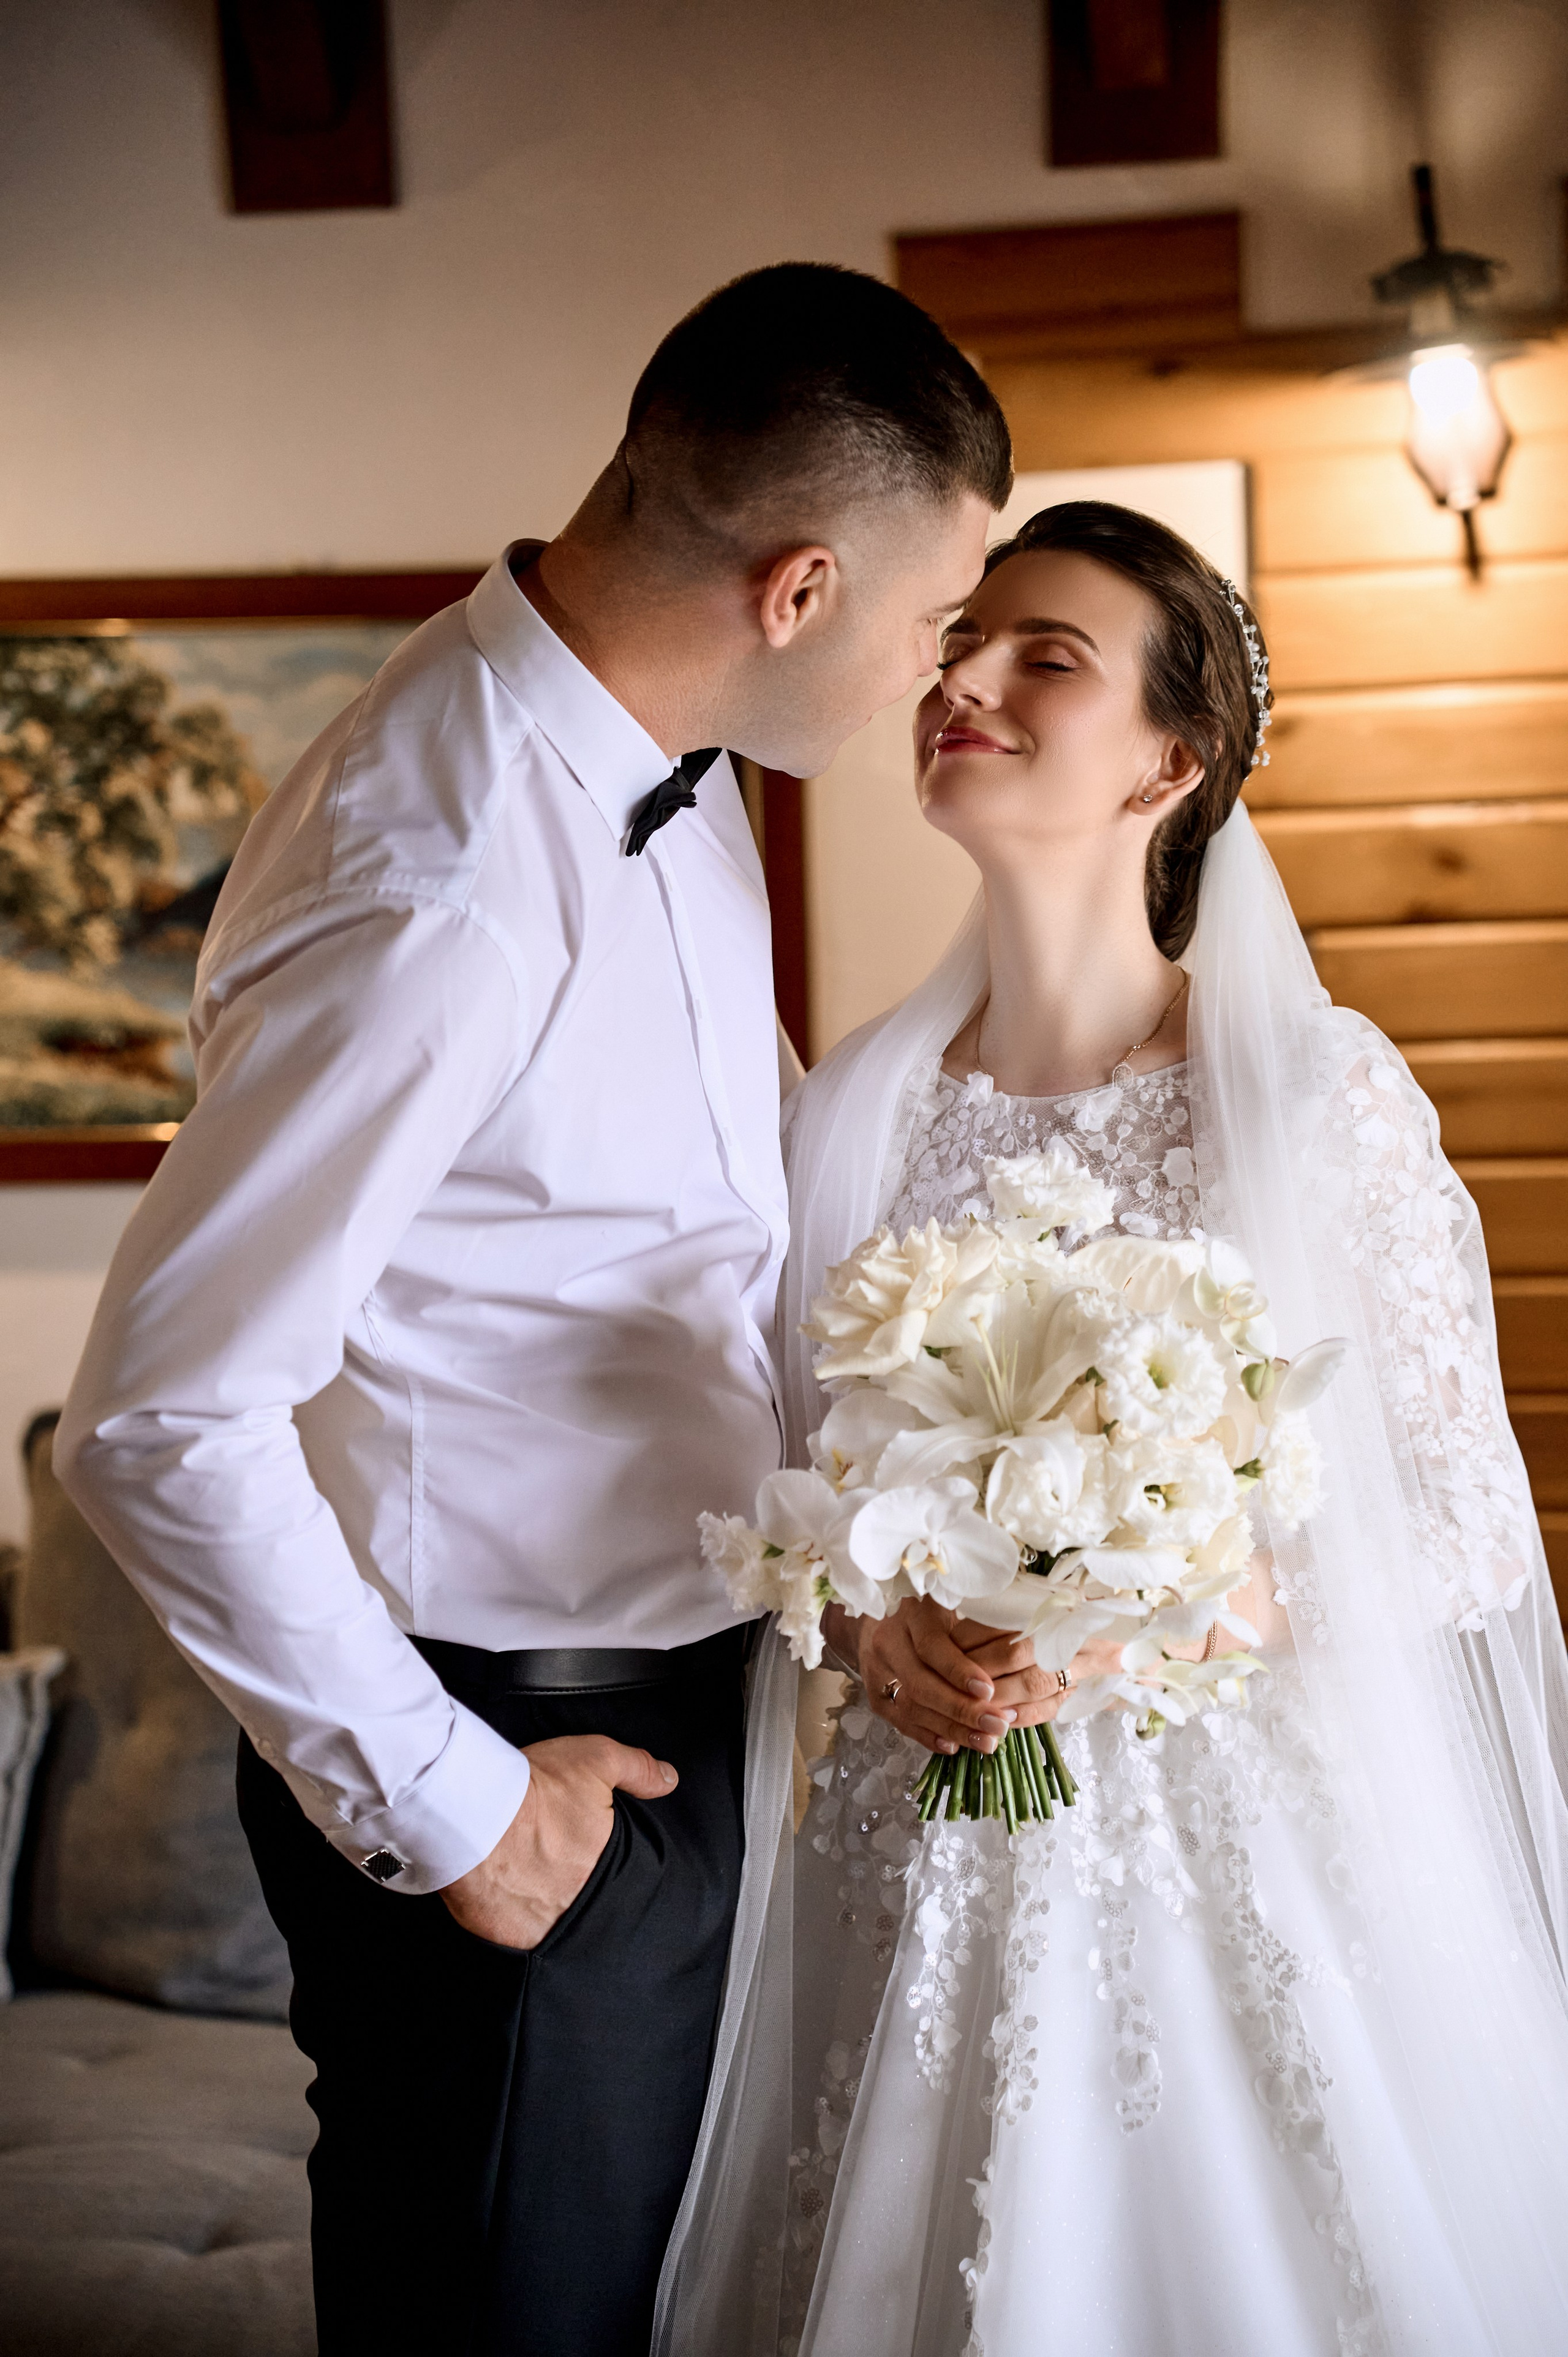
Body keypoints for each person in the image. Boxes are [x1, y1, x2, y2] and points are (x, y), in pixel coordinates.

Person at [53, 262, 1011, 2357]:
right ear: (798, 588)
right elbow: (157, 1417)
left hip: (680, 1705)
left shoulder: (666, 776)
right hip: (509, 1743)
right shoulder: (445, 873)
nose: (928, 678)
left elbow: (705, 1265)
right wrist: (462, 1813)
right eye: (931, 619)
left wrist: (864, 1578)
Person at [657, 503, 1568, 2355]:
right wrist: (881, 1631)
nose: (964, 680)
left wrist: (1163, 1608)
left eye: (1041, 658)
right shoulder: (853, 1119)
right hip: (913, 1839)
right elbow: (799, 1492)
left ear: (1172, 757)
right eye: (961, 642)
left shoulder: (1308, 1096)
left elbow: (1466, 1522)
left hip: (1231, 1854)